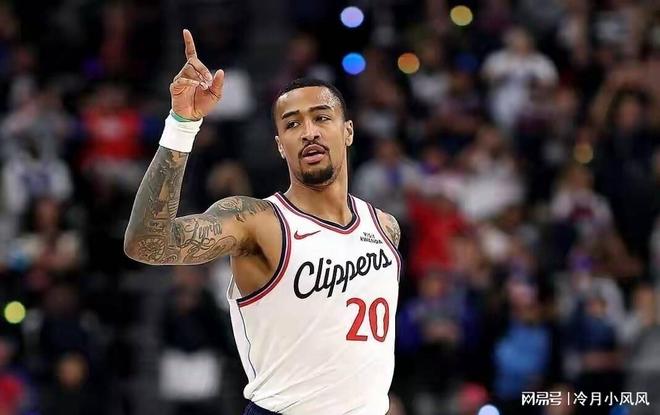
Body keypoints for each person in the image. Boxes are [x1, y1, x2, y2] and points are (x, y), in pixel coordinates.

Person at [123, 30, 402, 415]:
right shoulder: (256, 222)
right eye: (292, 124)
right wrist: (182, 125)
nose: (309, 132)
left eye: (321, 117)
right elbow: (146, 243)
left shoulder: (385, 227)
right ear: (279, 145)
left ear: (348, 131)